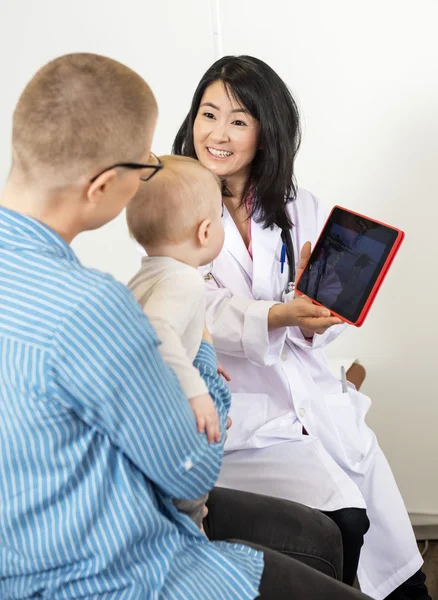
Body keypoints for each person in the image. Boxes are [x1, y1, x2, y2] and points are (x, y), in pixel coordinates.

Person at [0, 52, 375, 600]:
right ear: (105, 186)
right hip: (116, 562)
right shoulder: (93, 308)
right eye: (142, 166)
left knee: (325, 532)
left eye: (238, 120)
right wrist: (199, 350)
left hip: (55, 522)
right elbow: (189, 472)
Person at [173, 54, 430, 600]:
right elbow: (193, 308)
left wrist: (316, 319)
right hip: (243, 422)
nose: (217, 134)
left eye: (238, 121)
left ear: (266, 133)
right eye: (208, 114)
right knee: (342, 529)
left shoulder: (297, 208)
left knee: (396, 564)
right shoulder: (174, 204)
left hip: (316, 404)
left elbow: (320, 325)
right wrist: (279, 313)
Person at [126, 155, 225, 529]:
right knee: (188, 508)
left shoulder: (146, 275)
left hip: (138, 427)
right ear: (205, 231)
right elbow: (157, 333)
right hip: (161, 431)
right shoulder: (184, 280)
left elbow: (172, 337)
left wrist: (200, 357)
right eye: (219, 218)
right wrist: (197, 390)